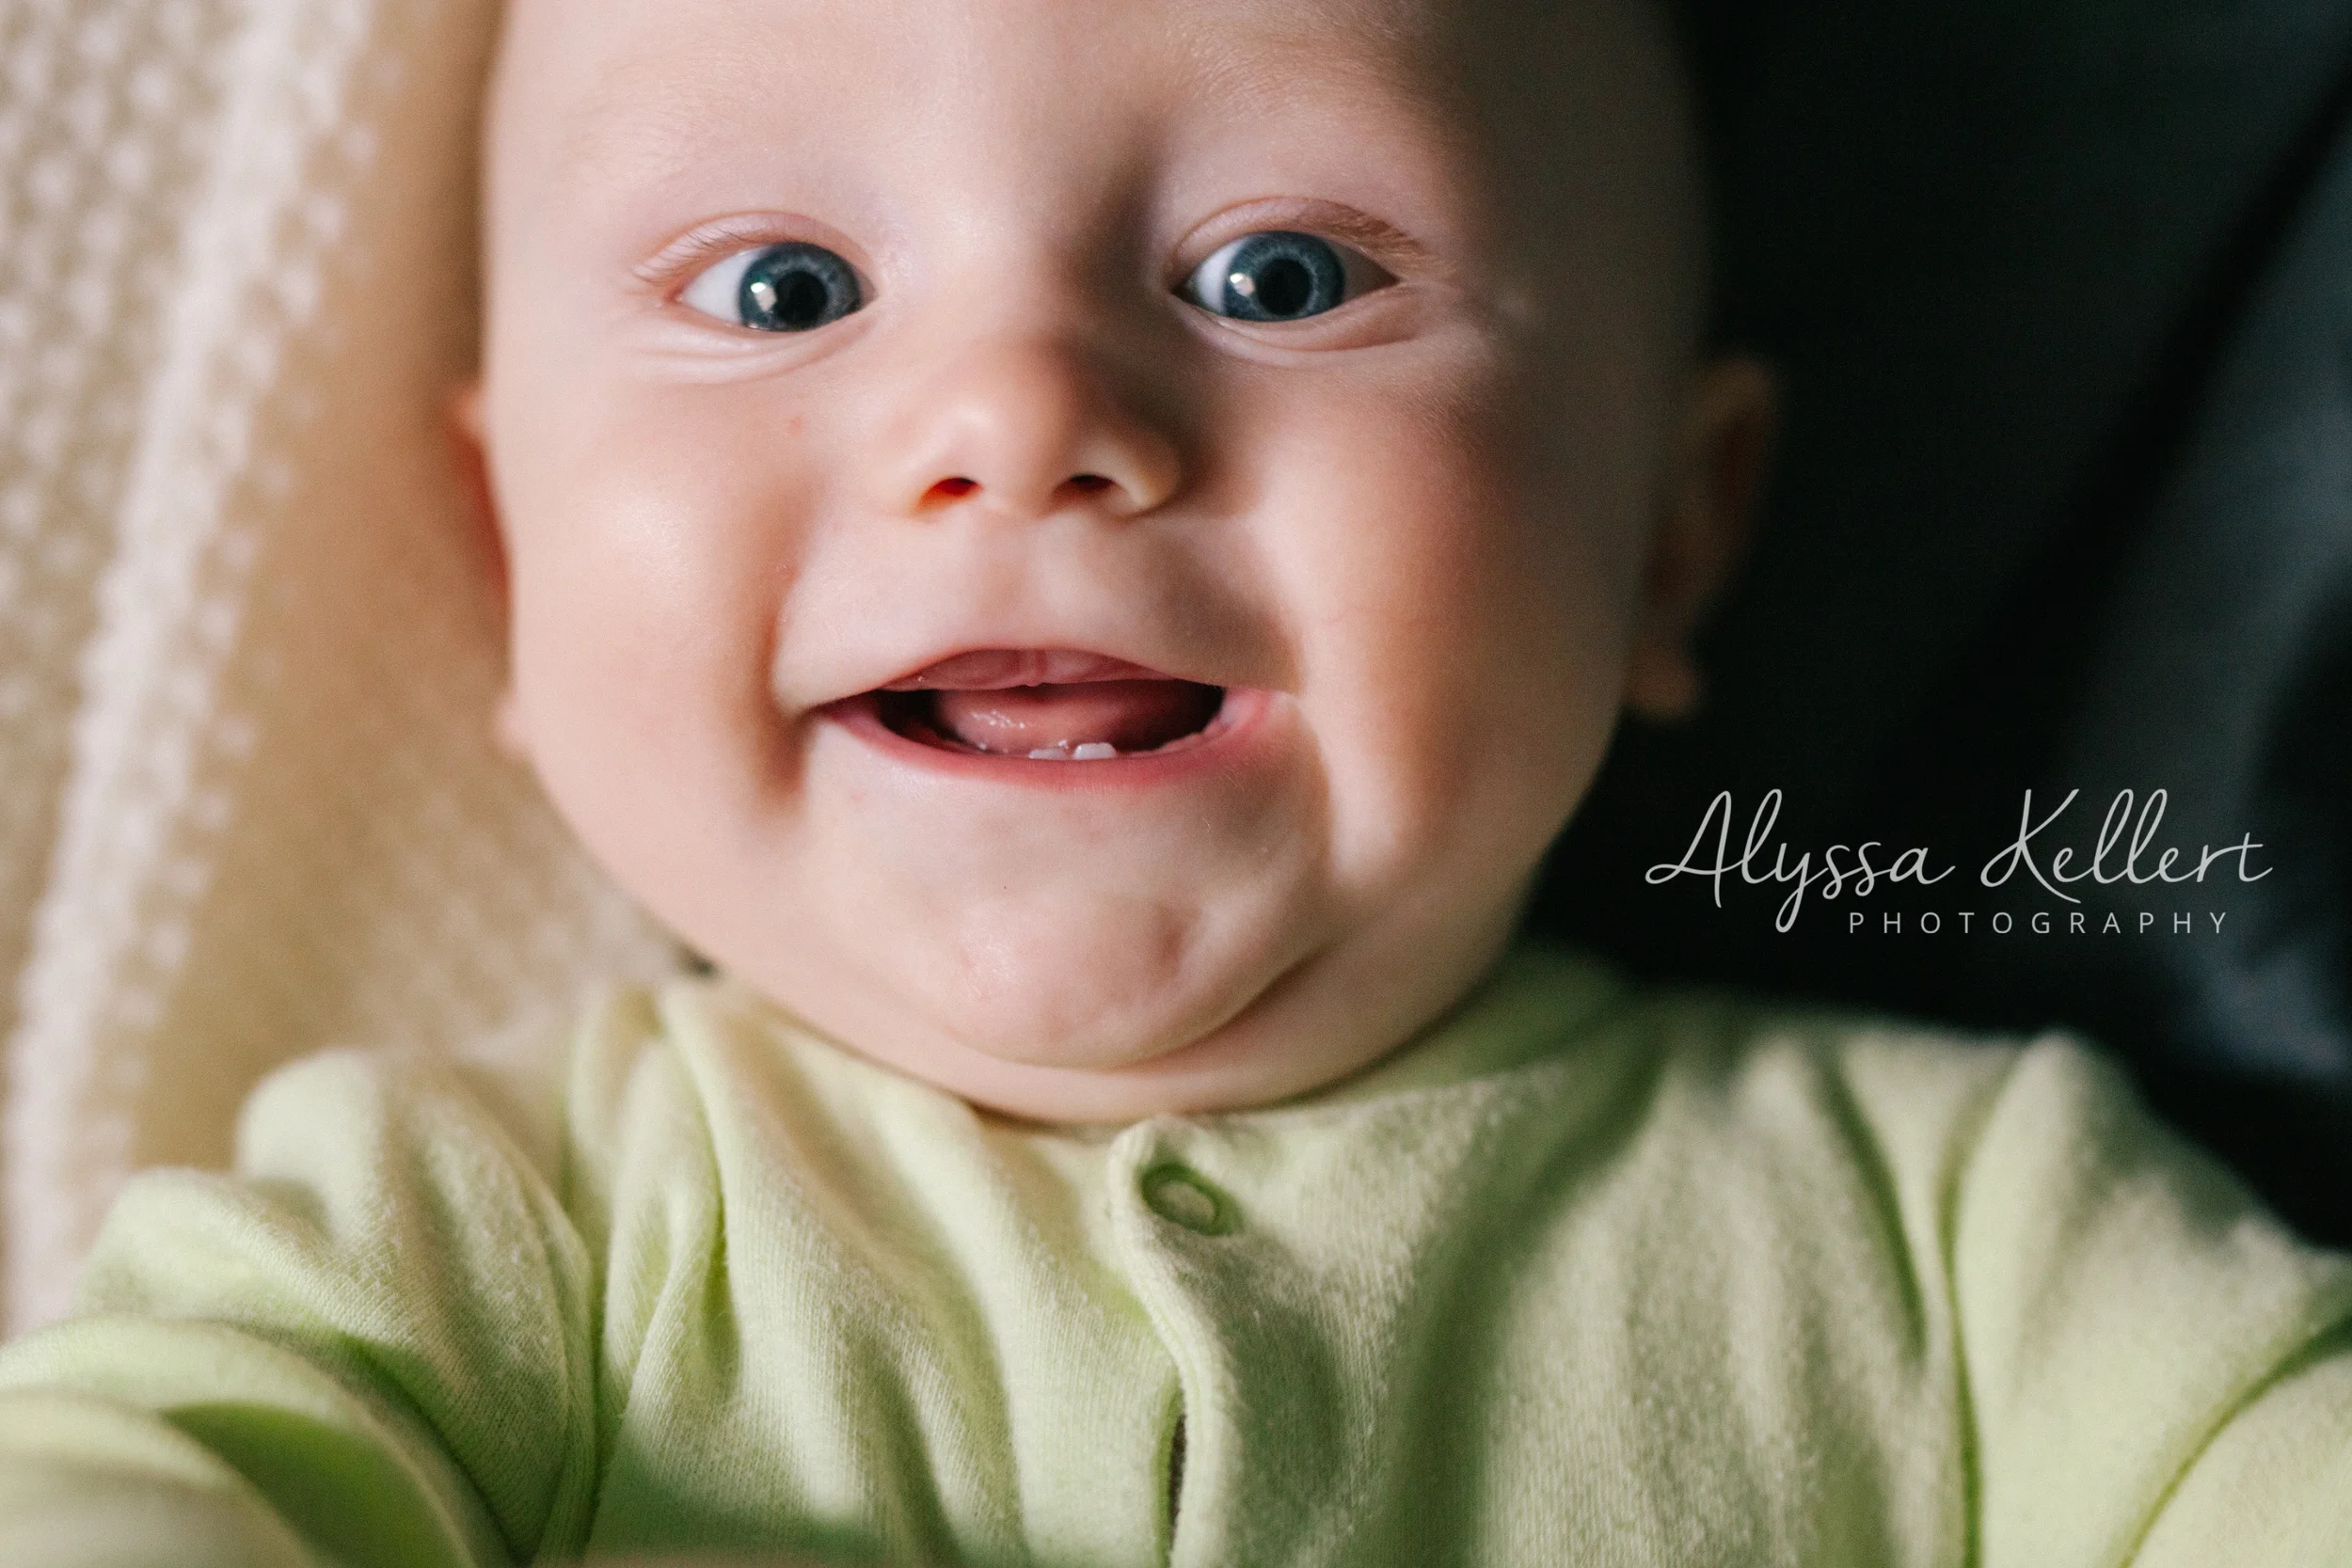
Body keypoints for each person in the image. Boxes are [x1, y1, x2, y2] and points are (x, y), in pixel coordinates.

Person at [0, 0, 2345, 1561]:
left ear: (1665, 530)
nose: (1019, 415)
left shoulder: (1980, 1246)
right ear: (514, 558)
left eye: (1281, 273)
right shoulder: (462, 1239)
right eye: (782, 289)